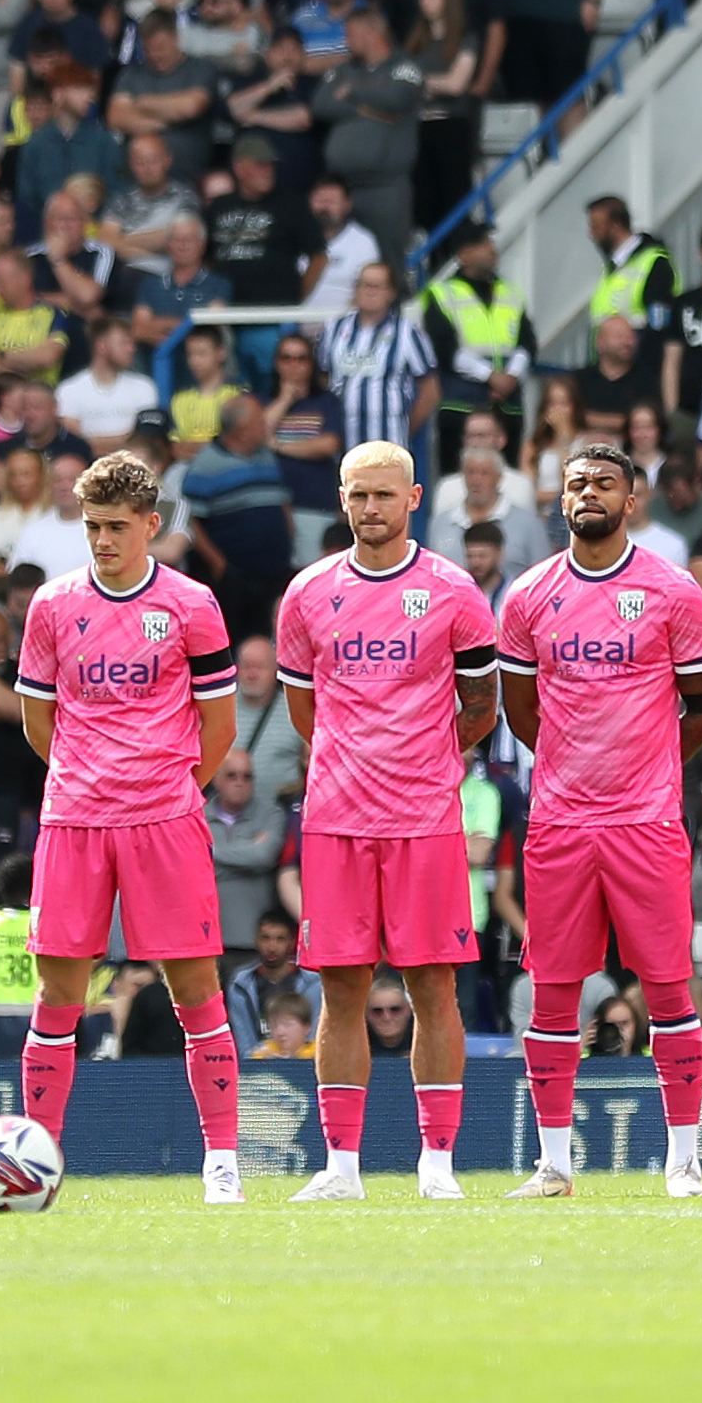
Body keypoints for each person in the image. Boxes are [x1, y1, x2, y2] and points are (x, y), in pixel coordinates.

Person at [4, 450, 249, 1202]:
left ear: (151, 525)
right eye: (91, 526)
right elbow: (39, 725)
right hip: (75, 819)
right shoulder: (51, 605)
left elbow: (220, 725)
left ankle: (222, 1162)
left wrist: (171, 784)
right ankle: (39, 1160)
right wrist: (90, 778)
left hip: (163, 821)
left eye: (116, 526)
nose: (102, 540)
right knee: (58, 996)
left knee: (195, 989)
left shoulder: (192, 605)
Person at [489, 438, 702, 1199]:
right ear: (560, 500)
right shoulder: (527, 596)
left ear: (633, 501)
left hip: (646, 820)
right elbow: (522, 711)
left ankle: (683, 1160)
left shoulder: (673, 590)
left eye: (604, 483)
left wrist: (647, 758)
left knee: (667, 986)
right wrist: (572, 758)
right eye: (575, 482)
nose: (587, 491)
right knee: (555, 991)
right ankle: (554, 1164)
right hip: (559, 822)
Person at [268, 439, 495, 1203]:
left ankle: (437, 1165)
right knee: (342, 994)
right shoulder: (306, 594)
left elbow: (483, 706)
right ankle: (342, 1169)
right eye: (358, 495)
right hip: (336, 820)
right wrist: (354, 759)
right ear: (341, 499)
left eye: (384, 496)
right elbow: (305, 709)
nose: (371, 508)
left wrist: (422, 757)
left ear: (414, 499)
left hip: (425, 820)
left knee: (434, 990)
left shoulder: (455, 591)